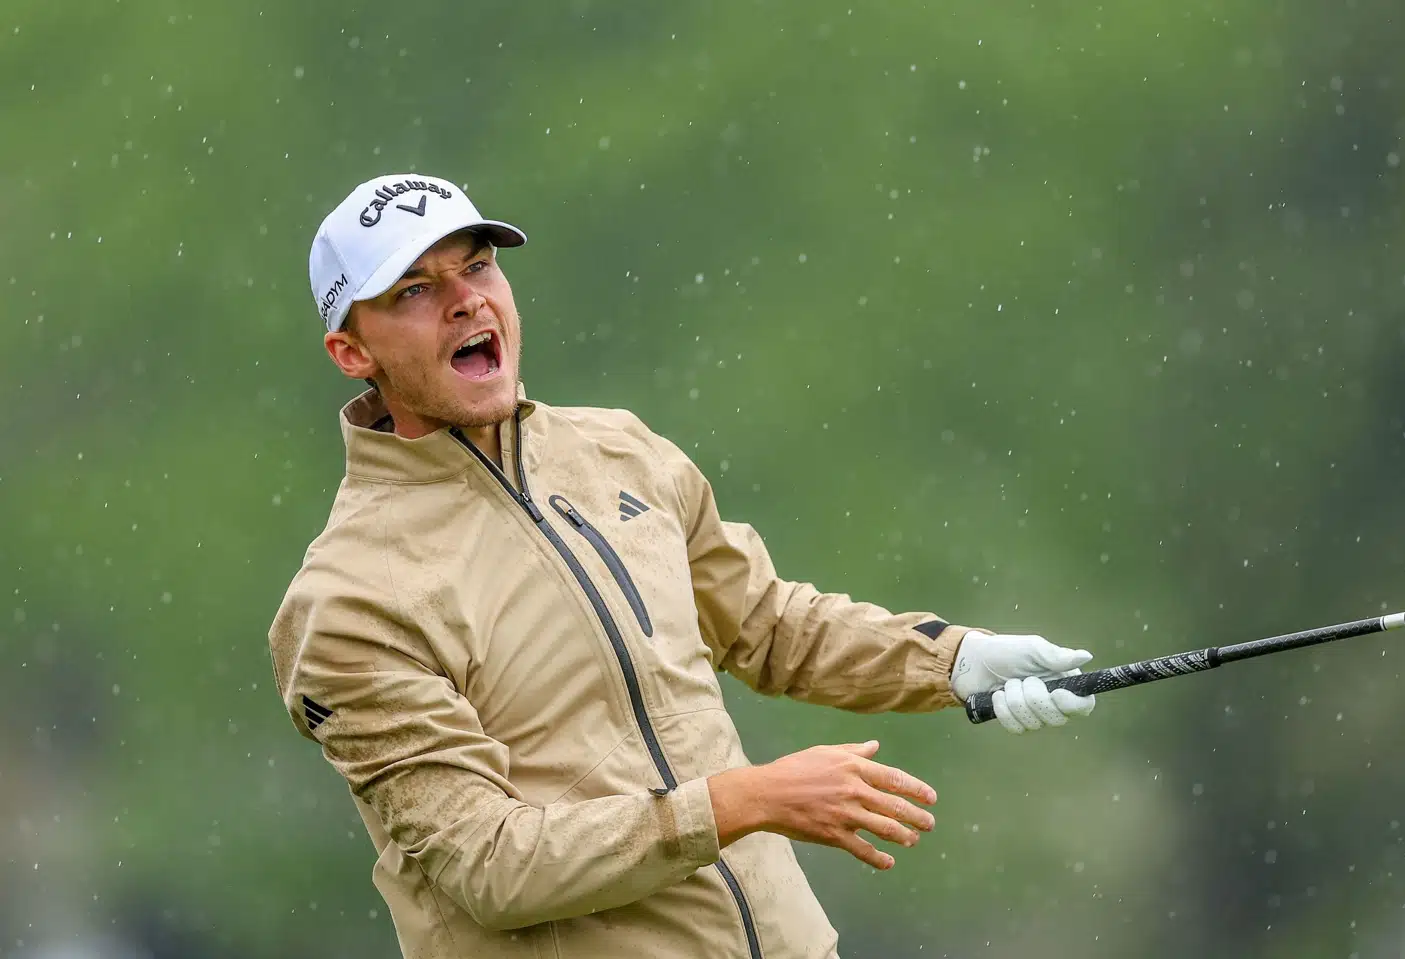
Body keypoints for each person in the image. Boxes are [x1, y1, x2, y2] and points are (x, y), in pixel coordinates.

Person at [268, 173, 1099, 959]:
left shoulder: (619, 449)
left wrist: (952, 660)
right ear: (351, 351)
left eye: (477, 265)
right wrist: (747, 801)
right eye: (415, 289)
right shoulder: (349, 603)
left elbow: (770, 626)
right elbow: (491, 863)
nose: (465, 300)